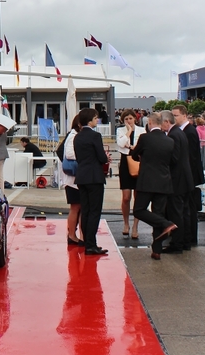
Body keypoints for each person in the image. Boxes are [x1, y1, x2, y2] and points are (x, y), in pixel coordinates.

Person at [131, 112, 178, 260]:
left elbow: (133, 155)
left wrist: (142, 156)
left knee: (139, 210)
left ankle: (167, 223)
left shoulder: (145, 138)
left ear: (150, 122)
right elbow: (174, 160)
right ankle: (157, 250)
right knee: (157, 213)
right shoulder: (169, 140)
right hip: (163, 182)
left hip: (147, 181)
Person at [74, 108, 109, 255]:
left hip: (82, 176)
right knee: (95, 211)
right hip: (94, 176)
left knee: (86, 210)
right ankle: (91, 243)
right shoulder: (95, 136)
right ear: (90, 121)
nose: (97, 121)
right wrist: (106, 157)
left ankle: (87, 242)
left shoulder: (77, 137)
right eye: (95, 118)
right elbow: (101, 157)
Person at [160, 111, 194, 253]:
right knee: (184, 212)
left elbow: (174, 158)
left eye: (161, 123)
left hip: (177, 180)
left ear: (167, 122)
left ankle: (177, 244)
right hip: (185, 179)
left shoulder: (173, 135)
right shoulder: (180, 133)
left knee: (176, 213)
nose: (161, 127)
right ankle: (186, 241)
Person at [171, 104, 205, 247]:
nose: (174, 118)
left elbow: (191, 158)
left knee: (189, 208)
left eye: (176, 115)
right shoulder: (183, 131)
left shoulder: (189, 132)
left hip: (189, 176)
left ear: (184, 115)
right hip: (187, 177)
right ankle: (186, 236)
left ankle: (189, 237)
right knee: (186, 208)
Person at [116, 108, 145, 239]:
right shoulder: (120, 131)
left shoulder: (142, 130)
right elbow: (121, 144)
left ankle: (135, 226)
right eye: (126, 119)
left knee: (138, 195)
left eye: (131, 118)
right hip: (125, 161)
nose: (129, 121)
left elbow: (143, 145)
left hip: (138, 160)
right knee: (126, 196)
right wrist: (129, 132)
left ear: (135, 119)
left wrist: (135, 147)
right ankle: (126, 223)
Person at [61, 114, 83, 246]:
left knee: (78, 207)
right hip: (72, 179)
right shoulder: (73, 135)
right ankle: (72, 235)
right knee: (75, 207)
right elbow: (69, 154)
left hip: (75, 178)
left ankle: (75, 233)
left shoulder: (74, 135)